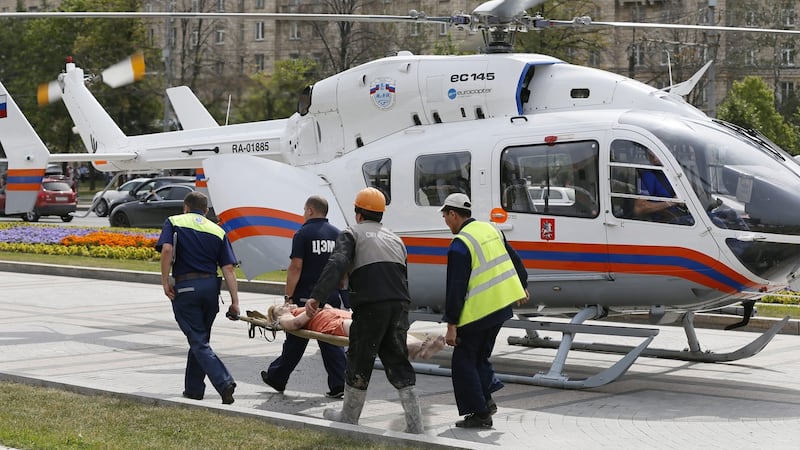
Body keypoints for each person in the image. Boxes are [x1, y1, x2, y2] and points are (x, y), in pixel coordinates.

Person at [304, 187, 424, 434]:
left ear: (358, 214)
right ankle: (415, 424)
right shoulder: (395, 239)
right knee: (397, 360)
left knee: (359, 357)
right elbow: (403, 277)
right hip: (399, 305)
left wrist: (316, 297)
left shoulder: (351, 233)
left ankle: (349, 417)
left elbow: (337, 264)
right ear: (381, 215)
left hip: (371, 306)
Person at [439, 193, 529, 428]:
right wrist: (522, 285)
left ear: (453, 214)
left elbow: (455, 289)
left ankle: (479, 413)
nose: (446, 223)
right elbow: (515, 259)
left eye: (446, 218)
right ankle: (486, 400)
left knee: (463, 362)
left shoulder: (460, 245)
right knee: (478, 357)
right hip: (500, 308)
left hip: (478, 312)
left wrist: (451, 325)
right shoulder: (491, 230)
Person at [156, 191, 239, 405]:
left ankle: (224, 382)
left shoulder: (174, 221)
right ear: (205, 211)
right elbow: (228, 269)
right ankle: (194, 390)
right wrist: (235, 302)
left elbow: (166, 249)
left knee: (198, 340)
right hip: (211, 289)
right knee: (200, 339)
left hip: (186, 288)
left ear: (185, 207)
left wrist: (165, 281)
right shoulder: (217, 230)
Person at [261, 196, 347, 399]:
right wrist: (341, 286)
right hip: (330, 295)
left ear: (310, 210)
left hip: (306, 297)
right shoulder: (338, 235)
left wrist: (288, 297)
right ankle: (339, 383)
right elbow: (343, 266)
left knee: (295, 339)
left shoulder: (302, 234)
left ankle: (277, 376)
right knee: (330, 339)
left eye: (303, 210)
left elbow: (296, 266)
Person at [267, 303, 446, 360]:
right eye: (281, 307)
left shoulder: (297, 310)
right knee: (378, 331)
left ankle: (419, 347)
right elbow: (295, 325)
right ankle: (417, 348)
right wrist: (310, 311)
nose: (285, 305)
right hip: (335, 324)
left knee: (389, 329)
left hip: (342, 317)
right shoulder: (285, 318)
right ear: (277, 315)